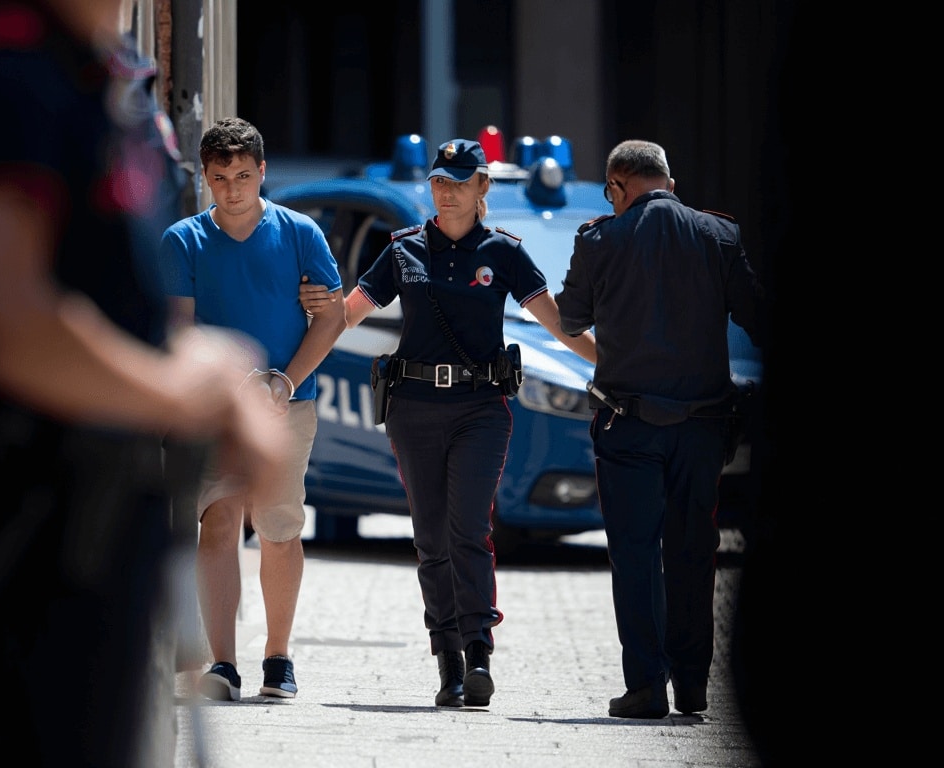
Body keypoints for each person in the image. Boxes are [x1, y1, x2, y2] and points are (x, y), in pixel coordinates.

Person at [0, 2, 290, 766]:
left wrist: (211, 372)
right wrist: (184, 391)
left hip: (101, 535)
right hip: (39, 537)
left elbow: (117, 303)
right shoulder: (8, 76)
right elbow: (11, 323)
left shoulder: (94, 79)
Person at [299, 139, 597, 708]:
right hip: (413, 411)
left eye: (461, 182)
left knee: (468, 531)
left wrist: (616, 366)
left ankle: (480, 652)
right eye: (440, 181)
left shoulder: (505, 252)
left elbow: (557, 325)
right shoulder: (403, 248)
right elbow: (348, 314)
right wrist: (300, 329)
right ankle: (448, 661)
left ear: (483, 187)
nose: (448, 192)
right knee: (431, 538)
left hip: (482, 411)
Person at [553, 139, 766, 719]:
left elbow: (571, 319)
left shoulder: (600, 238)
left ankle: (646, 686)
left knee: (637, 555)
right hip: (702, 428)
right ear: (668, 181)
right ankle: (693, 686)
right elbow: (756, 314)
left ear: (618, 186)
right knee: (695, 551)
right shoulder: (719, 235)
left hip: (630, 427)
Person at [160, 117, 346, 702]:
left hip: (286, 403)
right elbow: (179, 328)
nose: (234, 187)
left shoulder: (300, 233)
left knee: (279, 528)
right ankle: (222, 664)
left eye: (244, 175)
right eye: (221, 177)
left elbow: (333, 316)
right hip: (212, 409)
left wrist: (285, 383)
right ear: (206, 180)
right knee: (216, 521)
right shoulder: (182, 241)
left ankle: (278, 657)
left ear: (263, 172)